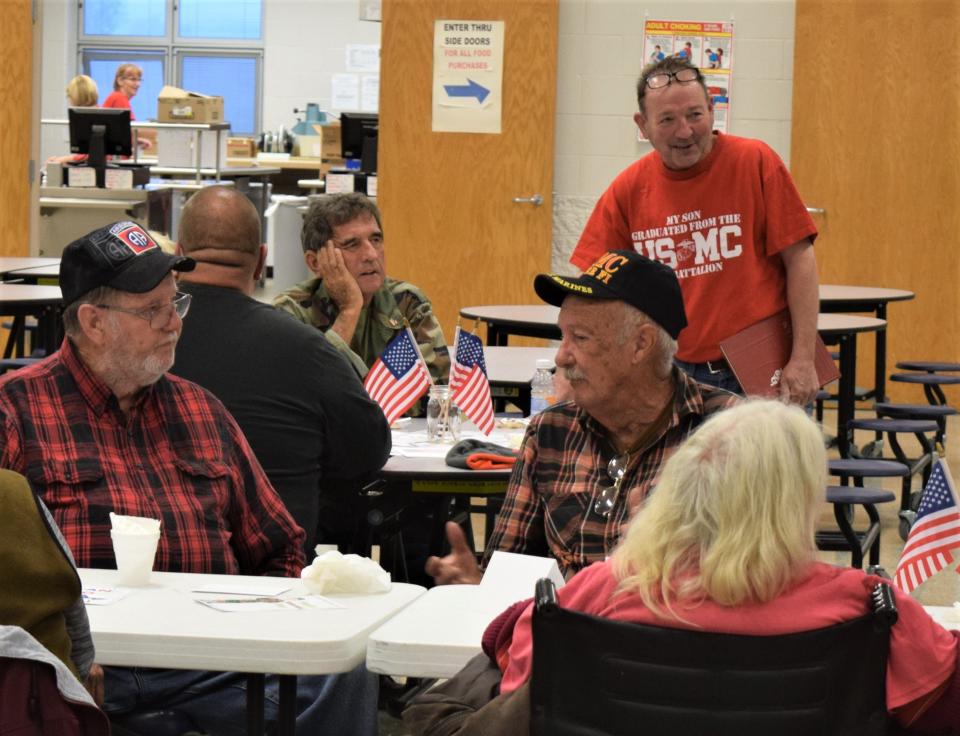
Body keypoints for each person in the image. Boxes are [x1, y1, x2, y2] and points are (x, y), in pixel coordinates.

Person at [0, 221, 377, 736]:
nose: (173, 324)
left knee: (348, 671)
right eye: (152, 310)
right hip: (80, 667)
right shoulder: (16, 411)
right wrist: (58, 653)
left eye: (176, 304)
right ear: (92, 321)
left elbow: (280, 546)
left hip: (208, 668)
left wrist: (256, 632)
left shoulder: (200, 410)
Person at [407, 400, 960, 735]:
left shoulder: (595, 593)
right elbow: (944, 708)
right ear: (793, 503)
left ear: (680, 487)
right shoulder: (863, 605)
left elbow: (516, 677)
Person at [426, 250, 737, 585]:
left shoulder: (728, 433)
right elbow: (506, 577)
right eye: (563, 336)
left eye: (580, 338)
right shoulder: (551, 432)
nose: (561, 356)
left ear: (640, 344)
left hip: (673, 630)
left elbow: (754, 582)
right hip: (563, 632)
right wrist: (477, 586)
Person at [570, 57, 820, 405]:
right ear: (643, 125)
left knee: (768, 461)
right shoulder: (628, 190)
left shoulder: (756, 162)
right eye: (667, 120)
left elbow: (801, 259)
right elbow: (595, 288)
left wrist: (804, 359)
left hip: (760, 366)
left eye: (695, 115)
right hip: (669, 372)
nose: (684, 131)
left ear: (712, 110)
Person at [172, 185, 392, 553]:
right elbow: (369, 452)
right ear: (261, 262)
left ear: (178, 257)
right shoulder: (306, 347)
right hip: (274, 572)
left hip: (161, 564)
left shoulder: (138, 341)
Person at [273, 193, 449, 389]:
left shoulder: (407, 302)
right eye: (352, 244)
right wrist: (349, 310)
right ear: (315, 263)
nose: (371, 255)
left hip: (398, 421)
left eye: (376, 240)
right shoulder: (290, 313)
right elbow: (305, 393)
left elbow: (438, 390)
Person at [101, 63, 153, 151]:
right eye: (133, 79)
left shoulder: (117, 97)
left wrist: (136, 141)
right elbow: (131, 129)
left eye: (139, 80)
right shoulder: (119, 98)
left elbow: (119, 133)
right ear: (120, 81)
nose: (138, 84)